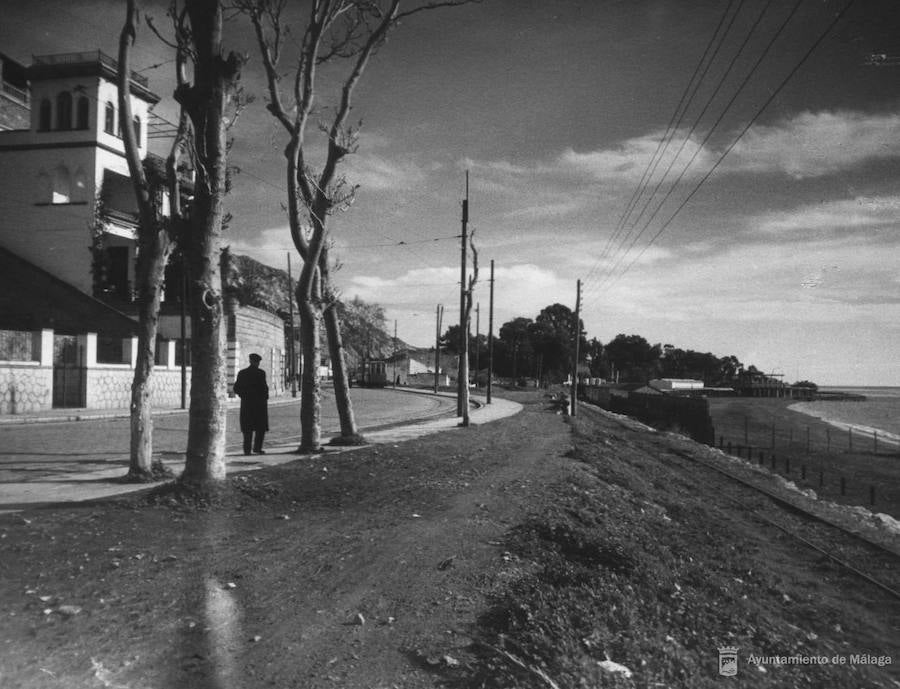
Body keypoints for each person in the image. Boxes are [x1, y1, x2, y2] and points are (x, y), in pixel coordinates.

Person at [234, 353, 269, 455]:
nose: (257, 364)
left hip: (247, 404)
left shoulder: (242, 373)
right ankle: (257, 448)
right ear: (254, 362)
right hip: (259, 405)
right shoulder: (261, 373)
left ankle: (247, 450)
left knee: (247, 429)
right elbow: (264, 388)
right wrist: (264, 397)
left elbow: (236, 388)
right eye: (257, 362)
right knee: (260, 428)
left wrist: (243, 395)